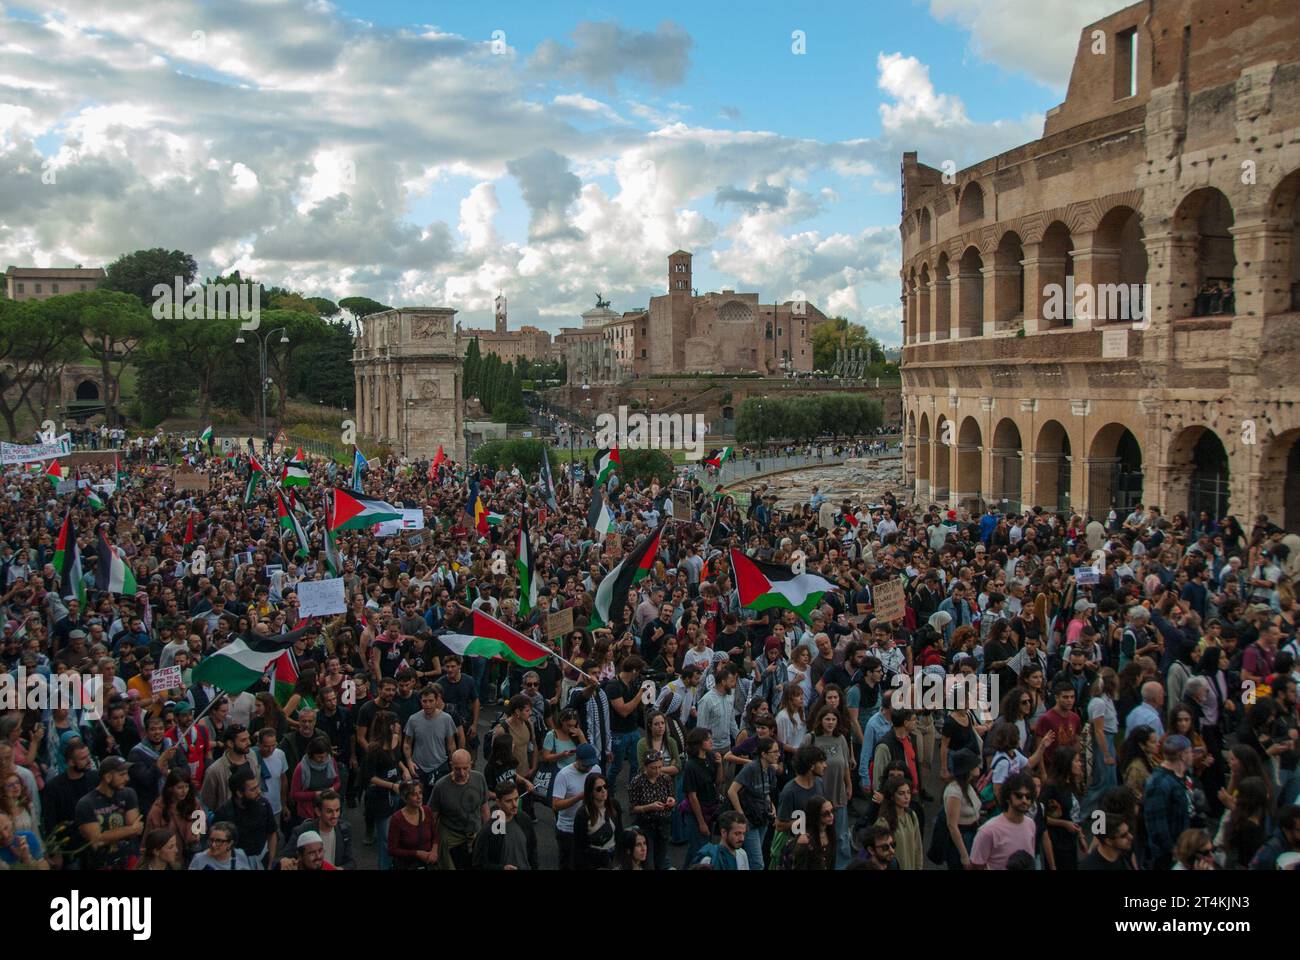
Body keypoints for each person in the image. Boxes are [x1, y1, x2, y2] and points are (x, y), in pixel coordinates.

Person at [74, 755, 142, 870]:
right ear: (108, 777)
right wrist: (129, 830)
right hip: (101, 864)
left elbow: (137, 830)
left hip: (129, 860)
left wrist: (106, 836)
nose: (127, 778)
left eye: (126, 773)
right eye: (122, 775)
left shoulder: (129, 794)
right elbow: (96, 840)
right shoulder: (86, 803)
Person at [428, 749, 489, 870]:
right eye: (457, 768)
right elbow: (432, 818)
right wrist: (433, 846)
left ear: (471, 764)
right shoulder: (441, 786)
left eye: (465, 768)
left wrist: (488, 835)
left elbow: (485, 809)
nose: (461, 772)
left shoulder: (479, 779)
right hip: (451, 837)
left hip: (474, 833)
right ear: (451, 765)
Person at [727, 737, 781, 870]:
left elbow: (765, 791)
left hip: (762, 817)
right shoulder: (751, 768)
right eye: (774, 752)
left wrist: (771, 805)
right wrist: (741, 816)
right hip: (750, 819)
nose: (778, 755)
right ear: (763, 754)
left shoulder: (770, 770)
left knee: (752, 859)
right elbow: (731, 791)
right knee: (757, 863)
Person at [1142, 734, 1195, 870]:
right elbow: (1157, 826)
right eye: (1190, 752)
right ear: (1182, 755)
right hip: (1166, 857)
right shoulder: (1158, 783)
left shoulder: (1183, 775)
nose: (1193, 755)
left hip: (1183, 846)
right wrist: (1173, 850)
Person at [970, 771, 1038, 870]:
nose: (1024, 800)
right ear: (1007, 798)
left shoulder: (1031, 824)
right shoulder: (988, 830)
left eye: (1028, 797)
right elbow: (976, 864)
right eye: (1019, 796)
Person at [552, 742, 600, 870]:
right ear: (577, 760)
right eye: (586, 765)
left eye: (591, 764)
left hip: (589, 827)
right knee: (569, 865)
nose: (589, 768)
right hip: (568, 830)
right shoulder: (563, 775)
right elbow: (556, 805)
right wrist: (578, 797)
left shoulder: (595, 769)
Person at [473, 781, 538, 870]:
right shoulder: (488, 830)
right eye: (508, 801)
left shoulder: (525, 819)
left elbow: (533, 849)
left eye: (516, 799)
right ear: (498, 802)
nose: (515, 805)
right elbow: (479, 864)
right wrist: (502, 868)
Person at [682, 726, 723, 865]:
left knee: (697, 849)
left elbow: (718, 782)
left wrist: (720, 765)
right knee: (701, 850)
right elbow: (692, 797)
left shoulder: (711, 757)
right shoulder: (691, 766)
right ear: (699, 743)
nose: (711, 741)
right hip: (696, 812)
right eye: (707, 739)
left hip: (711, 807)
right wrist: (701, 823)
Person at [628, 749, 674, 870]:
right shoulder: (637, 782)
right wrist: (649, 807)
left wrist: (671, 801)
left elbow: (672, 797)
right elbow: (633, 808)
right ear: (645, 766)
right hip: (646, 826)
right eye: (653, 768)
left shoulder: (666, 779)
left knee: (662, 860)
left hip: (663, 824)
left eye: (659, 767)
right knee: (647, 861)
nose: (657, 771)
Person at [288, 788, 353, 869]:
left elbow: (351, 862)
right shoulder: (302, 831)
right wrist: (285, 861)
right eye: (329, 811)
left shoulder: (345, 829)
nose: (335, 815)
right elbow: (283, 858)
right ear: (318, 811)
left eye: (337, 810)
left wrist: (340, 869)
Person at [941, 749, 982, 870]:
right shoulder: (955, 791)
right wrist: (964, 856)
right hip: (963, 839)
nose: (978, 767)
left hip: (972, 834)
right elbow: (952, 826)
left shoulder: (968, 785)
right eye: (975, 765)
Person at [572, 771, 622, 869]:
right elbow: (579, 845)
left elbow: (619, 831)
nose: (603, 790)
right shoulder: (582, 814)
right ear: (591, 792)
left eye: (605, 786)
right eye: (599, 789)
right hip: (594, 860)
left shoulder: (614, 805)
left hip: (614, 855)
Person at [387, 780, 438, 870]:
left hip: (428, 863)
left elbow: (435, 836)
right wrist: (417, 853)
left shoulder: (427, 810)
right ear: (405, 798)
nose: (419, 797)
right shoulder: (397, 819)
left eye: (420, 793)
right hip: (407, 864)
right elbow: (392, 850)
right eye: (414, 794)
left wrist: (434, 852)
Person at [873, 775, 921, 870]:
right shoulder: (884, 822)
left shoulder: (911, 815)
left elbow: (918, 847)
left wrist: (919, 867)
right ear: (892, 796)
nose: (906, 797)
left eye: (908, 792)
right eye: (901, 793)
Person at [188, 821, 258, 870]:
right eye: (211, 840)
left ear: (230, 843)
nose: (213, 845)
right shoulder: (199, 859)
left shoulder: (240, 855)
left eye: (219, 841)